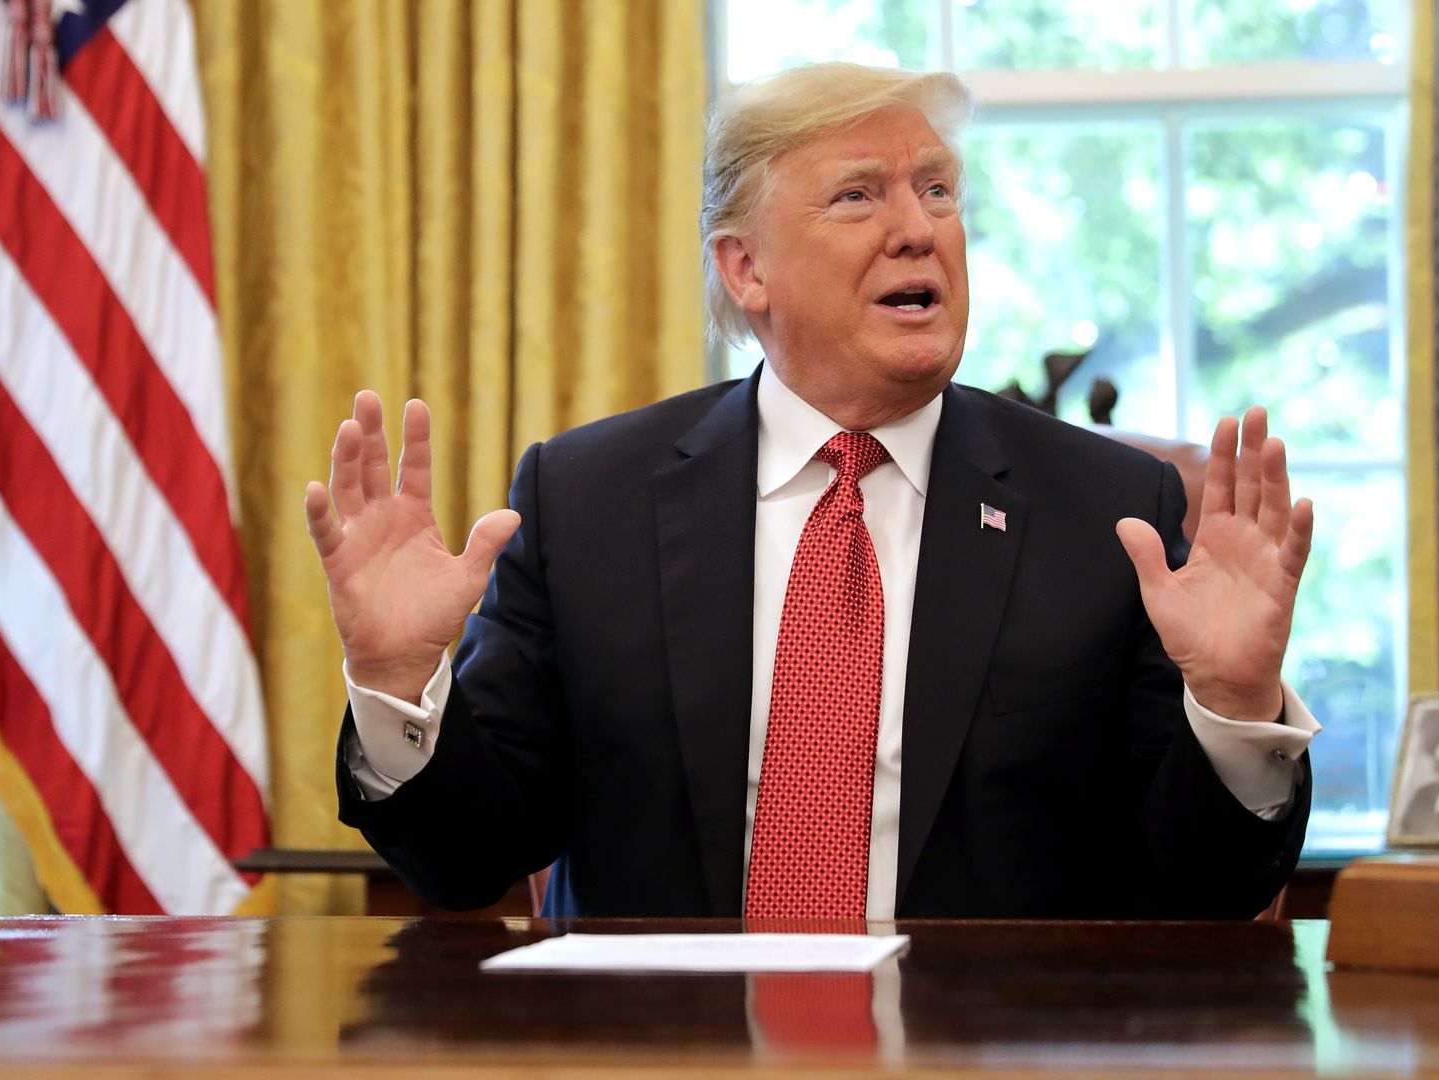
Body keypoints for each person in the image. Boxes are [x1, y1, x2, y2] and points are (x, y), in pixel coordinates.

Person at [308, 64, 1320, 920]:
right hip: (668, 1060)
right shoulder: (587, 502)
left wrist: (1233, 711)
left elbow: (1206, 891)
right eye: (858, 196)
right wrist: (397, 687)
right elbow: (471, 860)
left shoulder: (1107, 508)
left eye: (938, 191)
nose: (919, 229)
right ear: (746, 268)